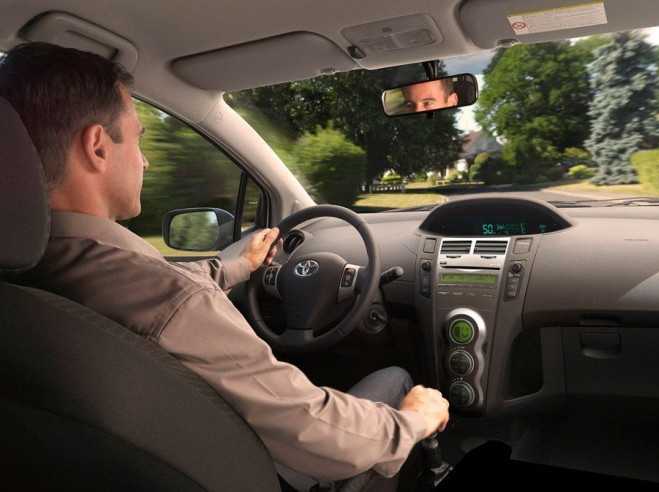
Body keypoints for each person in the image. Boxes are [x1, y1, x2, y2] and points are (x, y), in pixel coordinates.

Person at [0, 42, 449, 492]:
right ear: (97, 146)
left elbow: (159, 300)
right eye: (138, 139)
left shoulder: (29, 273)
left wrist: (230, 266)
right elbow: (316, 429)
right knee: (399, 383)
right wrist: (413, 421)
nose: (145, 159)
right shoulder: (174, 302)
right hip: (260, 473)